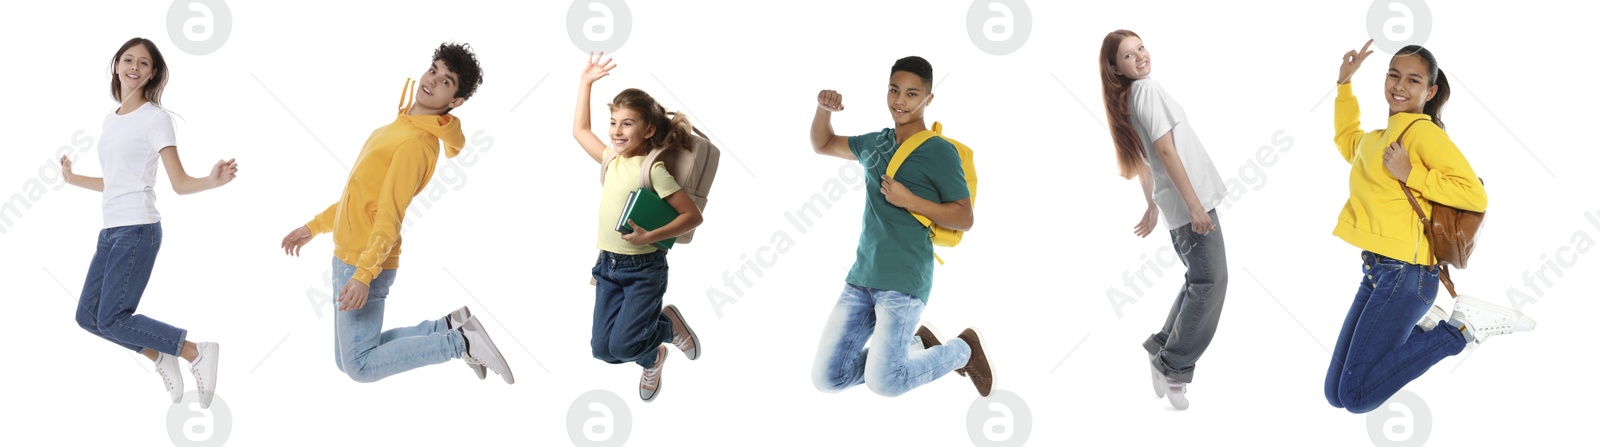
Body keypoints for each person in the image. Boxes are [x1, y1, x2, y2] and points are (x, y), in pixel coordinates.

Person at [279, 43, 514, 384]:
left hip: (364, 262)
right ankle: (448, 327)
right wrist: (314, 227)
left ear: (455, 102)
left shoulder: (415, 143)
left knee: (360, 366)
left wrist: (363, 275)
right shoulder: (397, 127)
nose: (432, 80)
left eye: (446, 81)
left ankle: (458, 342)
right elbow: (359, 198)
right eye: (433, 69)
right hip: (348, 258)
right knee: (348, 362)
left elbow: (389, 215)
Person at [1323, 40, 1534, 414]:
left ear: (1430, 91)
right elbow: (1346, 140)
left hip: (1408, 274)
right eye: (1393, 75)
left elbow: (1474, 195)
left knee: (1356, 397)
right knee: (1336, 394)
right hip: (1377, 270)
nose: (1400, 86)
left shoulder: (1422, 133)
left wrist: (1412, 173)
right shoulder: (1378, 139)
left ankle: (1460, 331)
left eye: (1413, 80)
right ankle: (1427, 327)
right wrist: (1343, 85)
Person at [63, 37, 236, 408]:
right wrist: (72, 178)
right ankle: (158, 354)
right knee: (87, 317)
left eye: (143, 63)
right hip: (110, 232)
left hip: (138, 230)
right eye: (128, 60)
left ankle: (193, 351)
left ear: (153, 73)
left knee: (111, 317)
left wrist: (211, 180)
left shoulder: (156, 119)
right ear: (116, 66)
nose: (134, 67)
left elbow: (179, 182)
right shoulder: (111, 120)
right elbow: (116, 181)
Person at [808, 55, 992, 398]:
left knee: (885, 382)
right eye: (894, 90)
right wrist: (823, 109)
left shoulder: (940, 152)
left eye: (911, 94)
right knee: (827, 378)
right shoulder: (875, 143)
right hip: (862, 276)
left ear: (928, 99)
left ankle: (963, 349)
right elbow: (823, 143)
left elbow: (964, 217)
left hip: (905, 280)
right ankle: (919, 342)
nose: (899, 101)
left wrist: (911, 201)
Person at [1098, 29, 1230, 410]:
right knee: (1211, 282)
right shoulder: (1146, 91)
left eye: (1141, 47)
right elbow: (1164, 151)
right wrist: (1193, 206)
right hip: (1192, 205)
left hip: (1179, 205)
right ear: (1115, 69)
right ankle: (1173, 364)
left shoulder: (1128, 99)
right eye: (1128, 55)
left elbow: (1144, 163)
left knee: (1199, 281)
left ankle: (1162, 348)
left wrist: (1153, 204)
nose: (1140, 56)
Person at [572, 52, 704, 402]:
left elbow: (692, 216)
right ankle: (656, 351)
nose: (616, 130)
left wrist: (650, 236)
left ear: (648, 130)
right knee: (604, 350)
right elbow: (580, 130)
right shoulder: (611, 159)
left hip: (643, 268)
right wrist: (585, 82)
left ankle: (666, 328)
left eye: (627, 123)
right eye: (614, 122)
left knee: (624, 343)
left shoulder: (653, 169)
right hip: (608, 266)